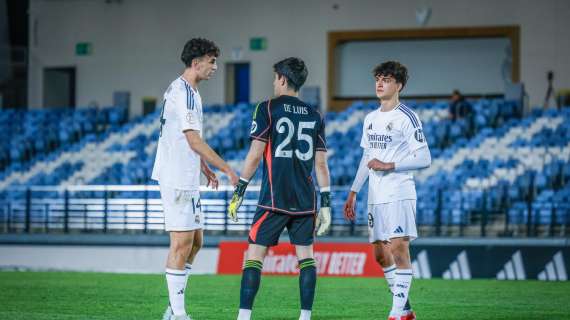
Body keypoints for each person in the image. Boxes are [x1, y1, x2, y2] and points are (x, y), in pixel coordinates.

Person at [227, 57, 332, 320]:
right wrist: (326, 204)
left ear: (283, 79)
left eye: (275, 78)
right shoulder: (315, 114)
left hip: (273, 199)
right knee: (306, 258)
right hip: (306, 201)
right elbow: (321, 164)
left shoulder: (267, 108)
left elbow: (254, 155)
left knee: (254, 256)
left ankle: (243, 317)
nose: (274, 82)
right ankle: (305, 317)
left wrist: (239, 190)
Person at [151, 38, 239, 320]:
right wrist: (226, 167)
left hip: (185, 173)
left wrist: (203, 166)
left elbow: (182, 136)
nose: (215, 67)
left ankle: (173, 308)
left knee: (196, 241)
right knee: (181, 242)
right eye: (211, 61)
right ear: (196, 61)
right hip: (177, 176)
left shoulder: (185, 90)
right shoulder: (186, 92)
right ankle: (177, 314)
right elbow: (192, 139)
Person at [343, 61, 431, 320]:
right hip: (375, 195)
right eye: (378, 78)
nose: (380, 83)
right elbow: (366, 157)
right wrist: (353, 191)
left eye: (387, 79)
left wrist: (389, 164)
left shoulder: (407, 117)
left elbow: (425, 157)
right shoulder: (370, 119)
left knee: (399, 249)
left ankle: (395, 313)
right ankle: (405, 310)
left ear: (399, 85)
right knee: (381, 256)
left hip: (399, 191)